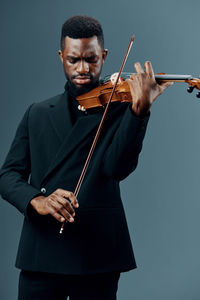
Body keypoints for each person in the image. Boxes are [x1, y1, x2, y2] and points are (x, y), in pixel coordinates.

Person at [0, 15, 172, 300]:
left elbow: (116, 168)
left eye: (91, 60)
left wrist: (139, 111)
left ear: (104, 56)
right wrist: (38, 201)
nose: (82, 68)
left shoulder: (121, 107)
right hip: (41, 251)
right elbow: (7, 176)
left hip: (97, 252)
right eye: (73, 60)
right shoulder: (38, 113)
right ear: (61, 57)